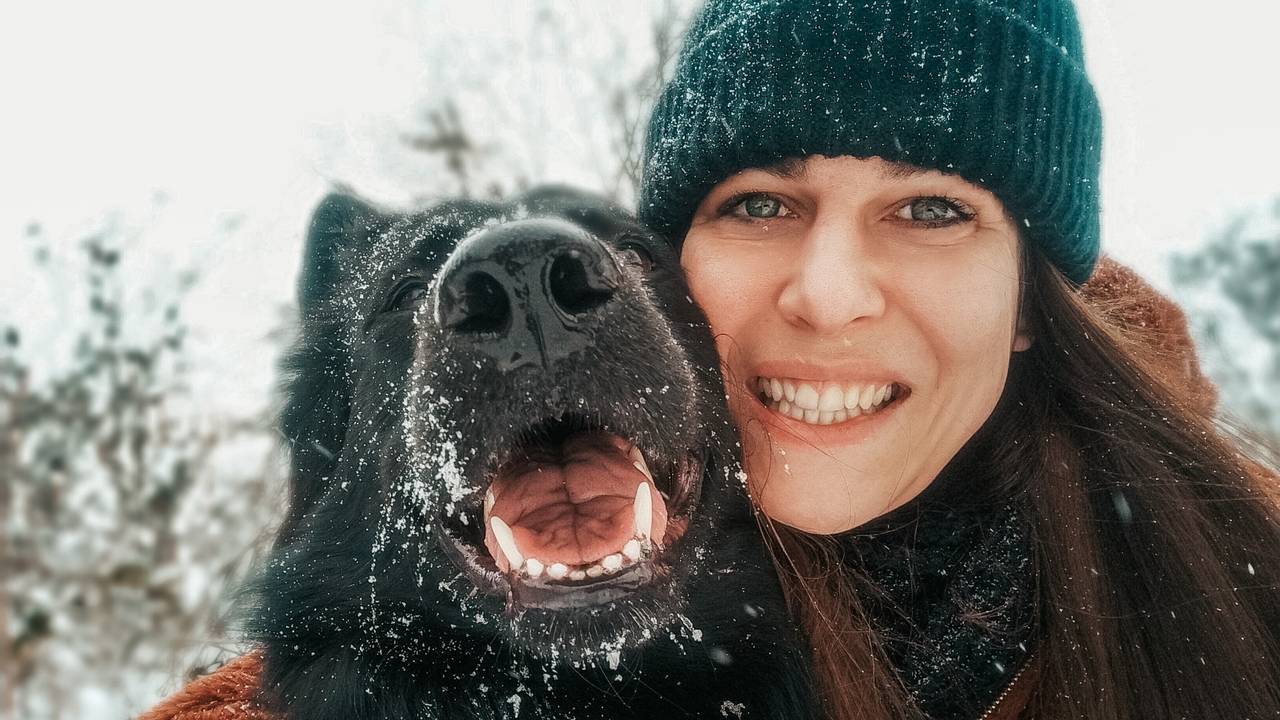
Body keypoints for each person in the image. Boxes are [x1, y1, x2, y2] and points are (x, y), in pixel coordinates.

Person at [637, 0, 1280, 718]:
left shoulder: (1253, 597)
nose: (827, 296)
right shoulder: (521, 587)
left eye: (929, 211)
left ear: (1030, 302)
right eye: (758, 205)